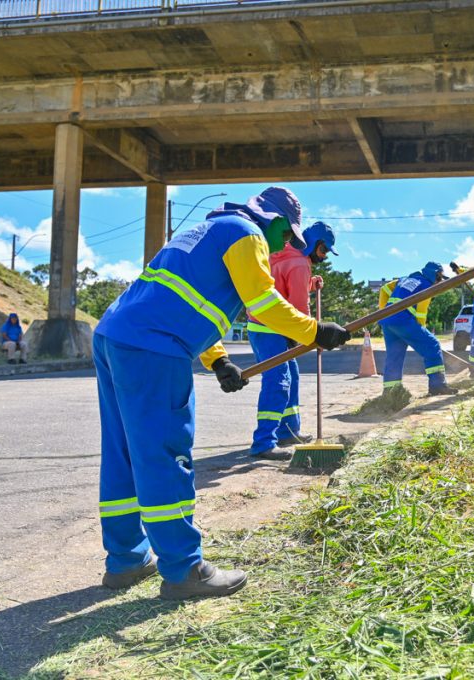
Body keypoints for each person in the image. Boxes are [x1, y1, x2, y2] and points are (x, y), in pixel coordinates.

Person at [92, 187, 351, 600]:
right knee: (164, 453)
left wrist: (217, 360)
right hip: (153, 347)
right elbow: (264, 303)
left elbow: (182, 298)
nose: (285, 244)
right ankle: (184, 569)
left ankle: (125, 560)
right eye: (287, 236)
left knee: (124, 451)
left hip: (115, 336)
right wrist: (317, 332)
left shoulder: (207, 231)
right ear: (278, 220)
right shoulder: (247, 235)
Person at [248, 220, 339, 460]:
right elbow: (299, 305)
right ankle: (264, 442)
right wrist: (306, 334)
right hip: (271, 328)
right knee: (278, 381)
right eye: (323, 250)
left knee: (292, 377)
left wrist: (310, 283)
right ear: (313, 244)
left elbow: (283, 286)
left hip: (264, 325)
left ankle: (288, 430)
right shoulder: (299, 264)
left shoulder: (286, 254)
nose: (325, 256)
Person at [377, 262, 457, 396]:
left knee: (394, 356)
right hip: (403, 320)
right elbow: (421, 312)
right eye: (439, 278)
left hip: (387, 321)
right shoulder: (426, 285)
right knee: (432, 345)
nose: (438, 282)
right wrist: (422, 332)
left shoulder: (404, 279)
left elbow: (384, 289)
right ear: (434, 274)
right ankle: (438, 386)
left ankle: (391, 393)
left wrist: (383, 311)